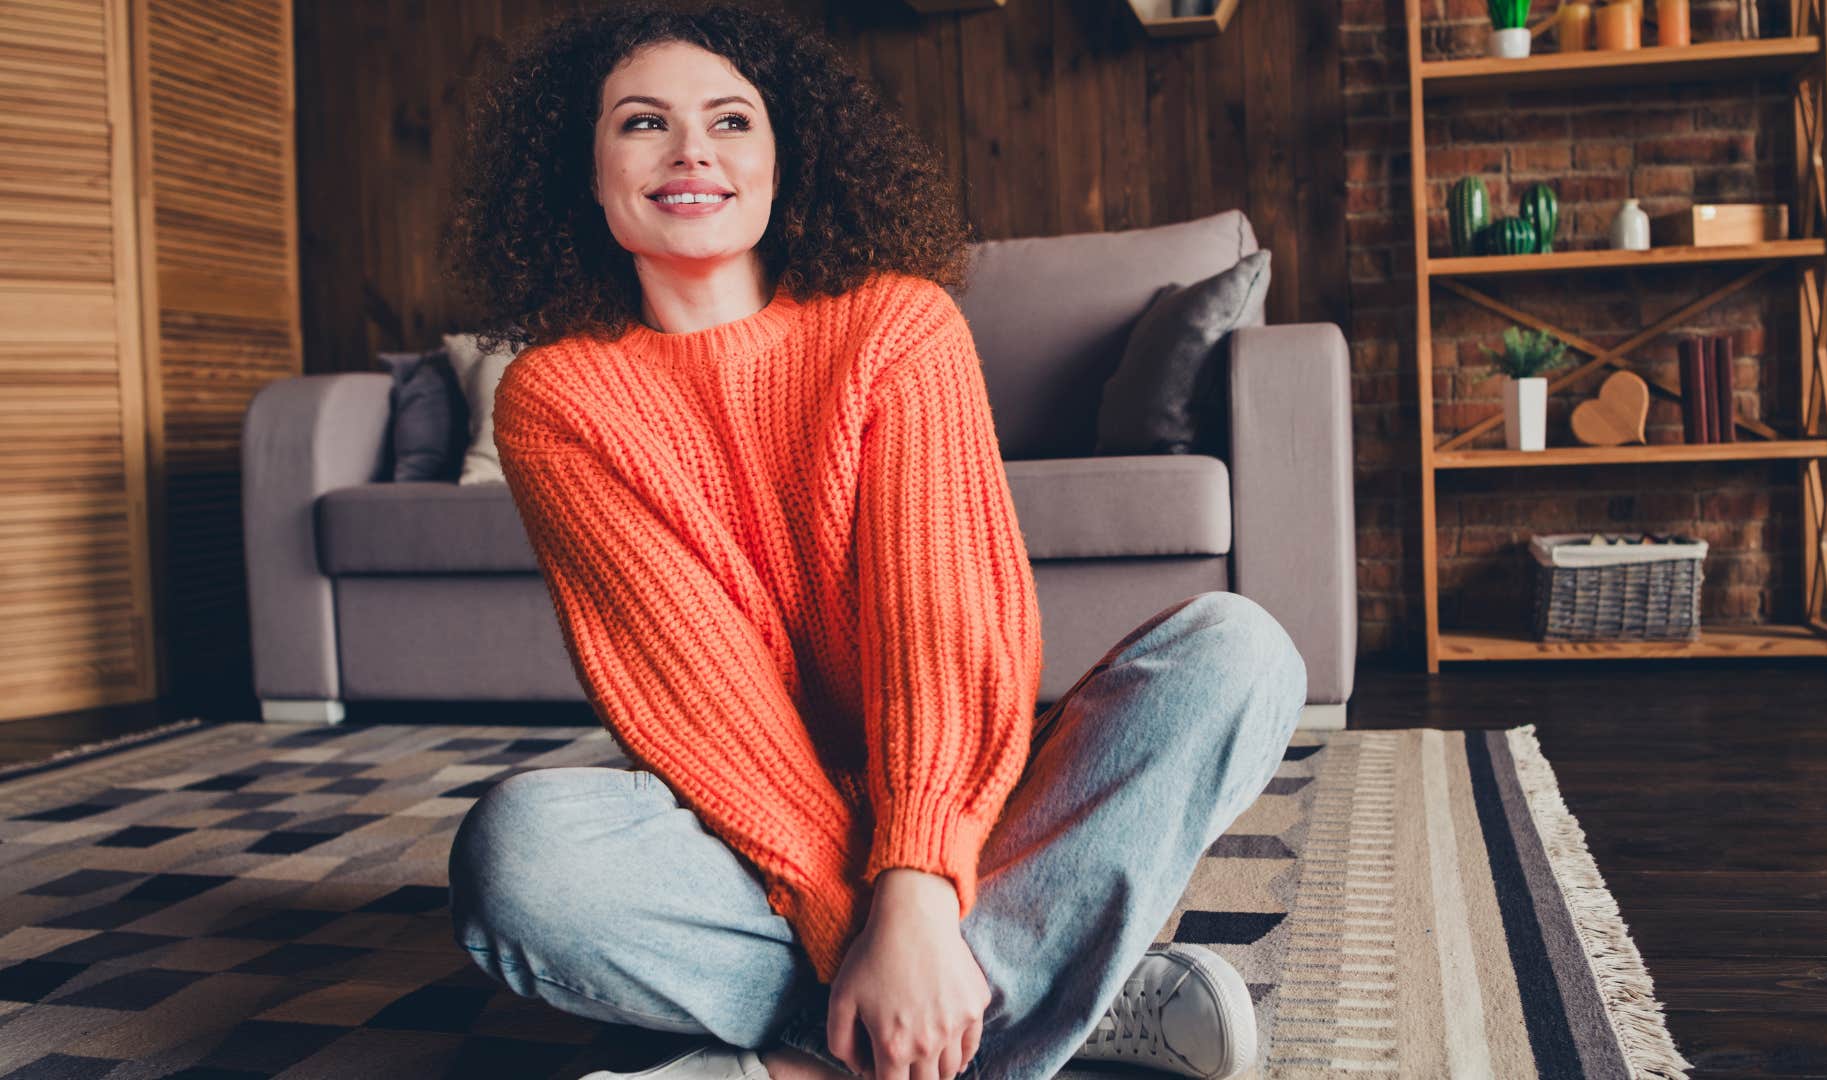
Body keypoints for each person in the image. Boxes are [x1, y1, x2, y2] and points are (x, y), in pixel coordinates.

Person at [440, 6, 1308, 1080]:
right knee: (524, 857)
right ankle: (1041, 999)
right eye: (641, 124)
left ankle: (814, 1063)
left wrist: (920, 885)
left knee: (1241, 651)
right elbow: (710, 714)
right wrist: (885, 937)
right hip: (746, 836)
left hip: (968, 803)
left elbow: (942, 632)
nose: (691, 150)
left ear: (781, 156)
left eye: (730, 120)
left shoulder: (898, 324)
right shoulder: (555, 398)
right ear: (585, 169)